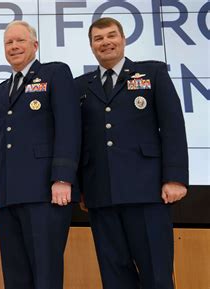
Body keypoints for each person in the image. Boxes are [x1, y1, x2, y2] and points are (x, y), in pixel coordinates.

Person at [75, 17, 188, 289]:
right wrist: (80, 187)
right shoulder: (80, 86)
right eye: (98, 39)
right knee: (114, 275)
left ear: (123, 39)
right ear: (91, 46)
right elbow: (75, 139)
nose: (106, 42)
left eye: (111, 36)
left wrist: (175, 178)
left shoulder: (152, 74)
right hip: (101, 194)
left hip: (147, 191)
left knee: (157, 274)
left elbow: (172, 127)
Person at [0, 20, 81, 289]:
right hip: (8, 197)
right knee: (15, 276)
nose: (14, 46)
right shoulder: (0, 90)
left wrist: (63, 178)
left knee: (46, 275)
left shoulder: (55, 74)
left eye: (20, 41)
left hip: (45, 193)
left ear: (35, 45)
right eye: (9, 42)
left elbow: (69, 126)